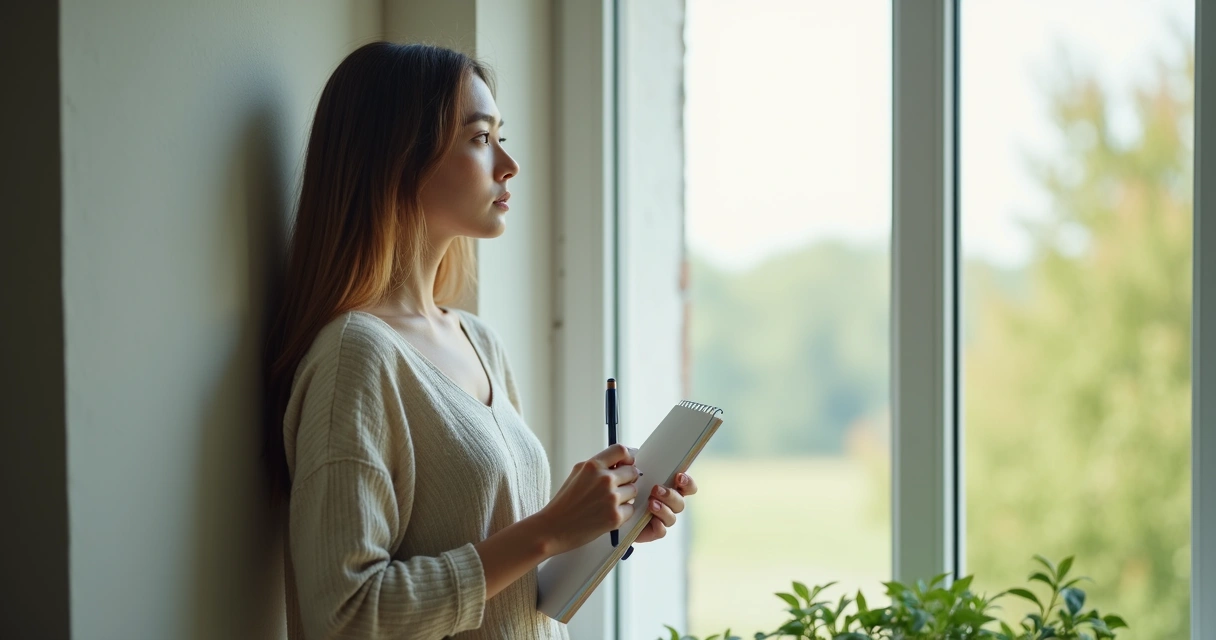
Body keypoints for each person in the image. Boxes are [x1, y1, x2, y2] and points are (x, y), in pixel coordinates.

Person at [263, 42, 698, 640]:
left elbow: (510, 590)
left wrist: (597, 531)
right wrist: (547, 528)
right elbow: (346, 615)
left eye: (500, 135)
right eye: (480, 137)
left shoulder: (479, 341)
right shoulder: (354, 359)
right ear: (396, 158)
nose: (509, 163)